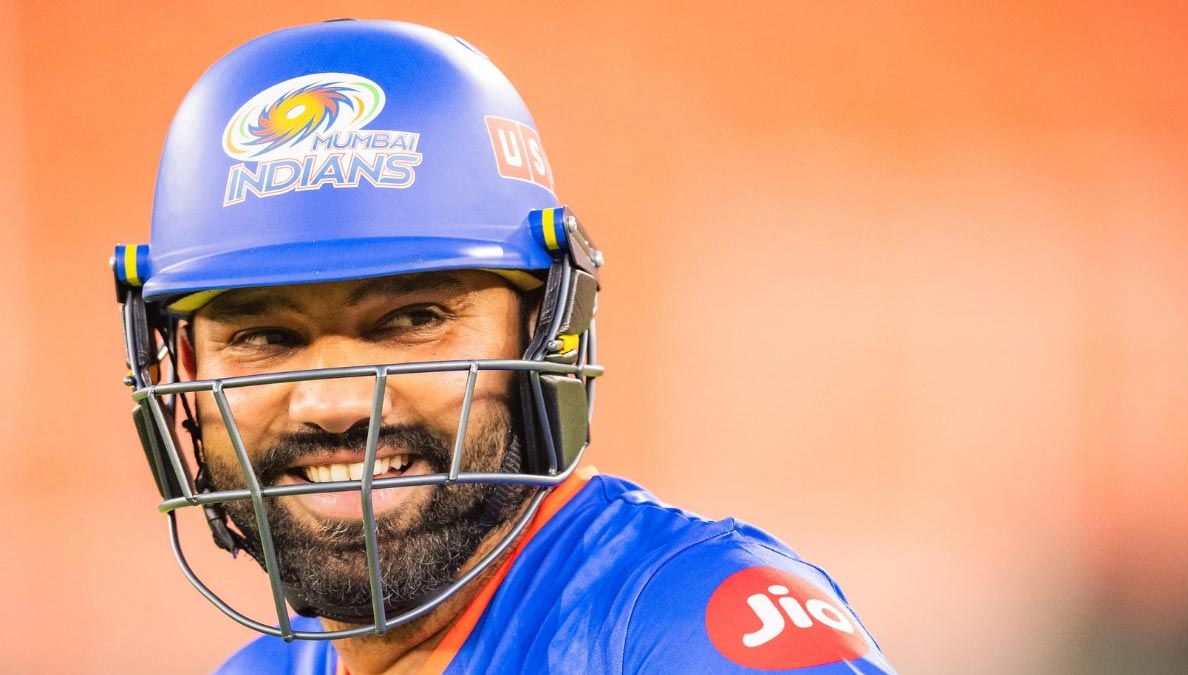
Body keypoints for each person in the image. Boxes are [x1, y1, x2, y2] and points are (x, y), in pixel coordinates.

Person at [111, 19, 898, 675]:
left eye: (414, 319)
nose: (338, 402)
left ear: (543, 331)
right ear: (184, 369)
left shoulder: (690, 631)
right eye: (263, 337)